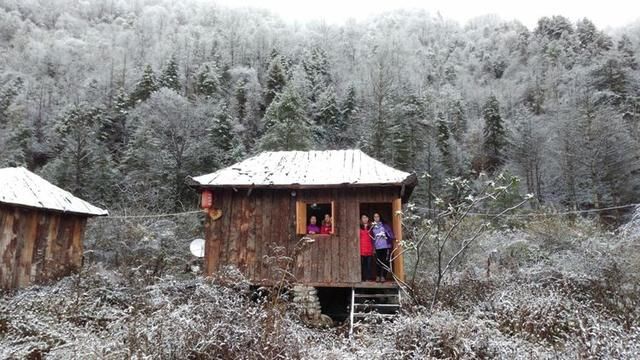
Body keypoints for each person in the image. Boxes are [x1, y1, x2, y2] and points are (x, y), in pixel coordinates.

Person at [371, 212, 395, 282]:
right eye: (375, 217)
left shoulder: (384, 225)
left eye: (377, 216)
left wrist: (388, 236)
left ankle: (383, 276)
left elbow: (390, 233)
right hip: (377, 247)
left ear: (380, 217)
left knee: (385, 262)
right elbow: (371, 237)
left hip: (385, 246)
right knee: (378, 262)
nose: (376, 218)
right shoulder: (372, 227)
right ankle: (378, 276)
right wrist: (373, 247)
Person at [359, 214, 374, 282]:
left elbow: (374, 238)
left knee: (369, 264)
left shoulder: (371, 227)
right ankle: (363, 278)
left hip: (369, 247)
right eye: (363, 218)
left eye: (366, 217)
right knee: (363, 264)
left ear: (368, 219)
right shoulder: (359, 227)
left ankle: (368, 278)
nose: (364, 219)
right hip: (362, 248)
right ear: (361, 219)